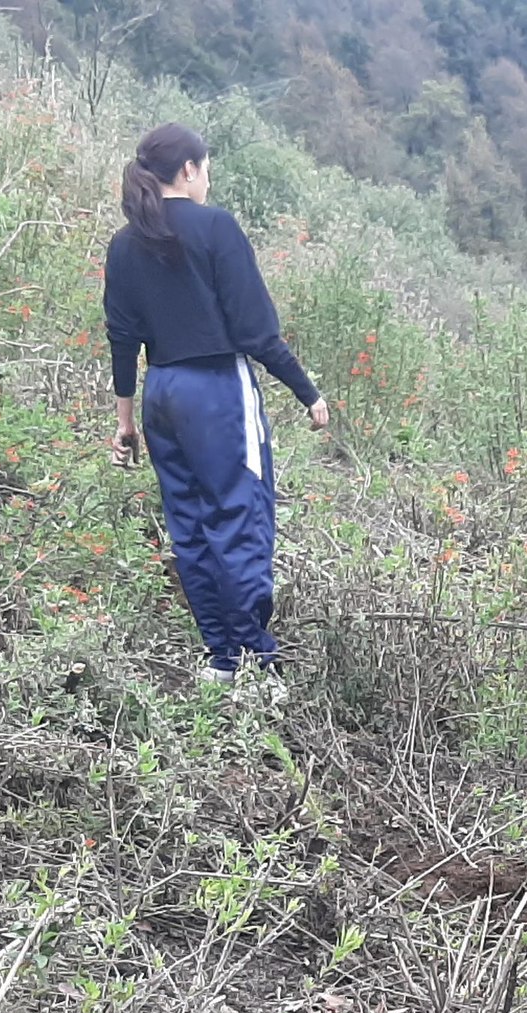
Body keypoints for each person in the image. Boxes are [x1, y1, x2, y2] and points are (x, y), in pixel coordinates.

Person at [103, 122, 328, 683]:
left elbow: (122, 337)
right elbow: (256, 331)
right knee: (240, 518)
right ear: (189, 170)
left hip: (162, 393)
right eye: (205, 170)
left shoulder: (125, 243)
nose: (206, 180)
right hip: (218, 390)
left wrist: (124, 425)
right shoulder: (215, 228)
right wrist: (308, 392)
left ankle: (223, 659)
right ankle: (258, 665)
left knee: (191, 527)